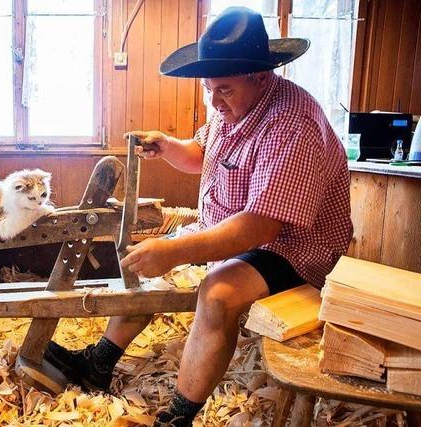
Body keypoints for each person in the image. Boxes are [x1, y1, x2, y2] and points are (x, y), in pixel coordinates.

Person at [44, 6, 353, 426]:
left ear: (261, 75)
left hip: (294, 248)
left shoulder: (292, 125)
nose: (213, 98)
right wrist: (169, 146)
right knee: (147, 260)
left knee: (217, 294)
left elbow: (260, 225)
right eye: (208, 88)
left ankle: (178, 416)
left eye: (222, 89)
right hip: (233, 227)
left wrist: (178, 252)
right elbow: (204, 153)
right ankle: (100, 361)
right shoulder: (233, 103)